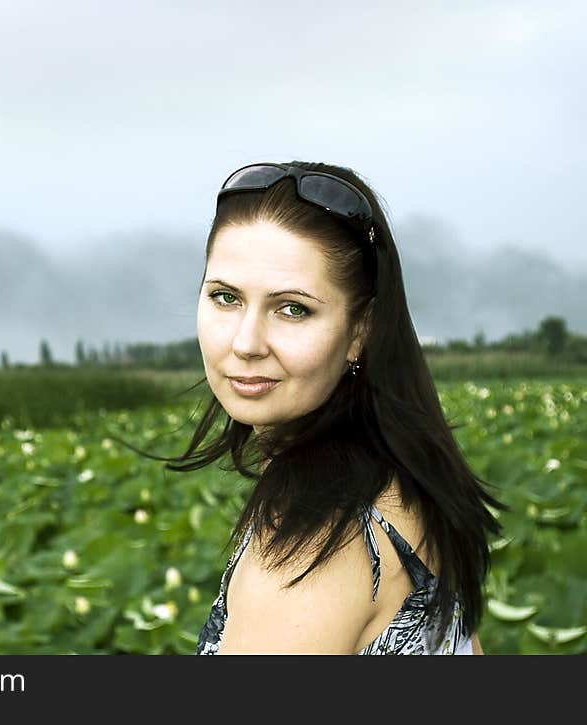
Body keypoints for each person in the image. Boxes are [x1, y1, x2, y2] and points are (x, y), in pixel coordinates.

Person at [130, 159, 505, 654]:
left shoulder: (312, 552)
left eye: (292, 308)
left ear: (360, 330)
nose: (246, 342)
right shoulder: (398, 485)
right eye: (225, 298)